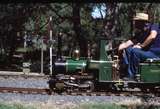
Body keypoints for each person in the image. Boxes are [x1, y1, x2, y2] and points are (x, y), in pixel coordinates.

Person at [118, 12, 160, 80]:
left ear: (142, 22)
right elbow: (127, 44)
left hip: (156, 54)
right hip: (148, 53)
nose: (134, 23)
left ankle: (131, 76)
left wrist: (141, 46)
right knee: (128, 49)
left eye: (136, 21)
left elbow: (152, 36)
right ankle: (124, 70)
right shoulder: (140, 34)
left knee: (135, 51)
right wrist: (119, 49)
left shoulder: (154, 26)